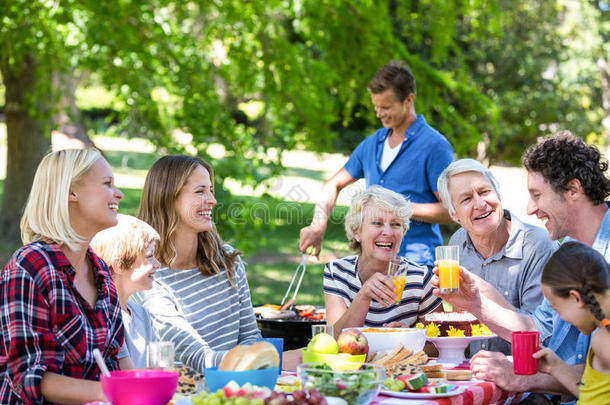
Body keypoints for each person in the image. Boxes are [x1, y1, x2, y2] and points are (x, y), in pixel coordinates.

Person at [432, 132, 610, 404]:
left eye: (537, 195)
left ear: (573, 190)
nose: (529, 209)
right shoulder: (569, 254)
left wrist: (522, 379)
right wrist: (476, 304)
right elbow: (540, 331)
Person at [0, 149, 131, 404]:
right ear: (72, 193)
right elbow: (29, 375)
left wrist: (144, 386)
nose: (119, 194)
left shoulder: (101, 272)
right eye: (107, 183)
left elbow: (116, 359)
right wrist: (113, 391)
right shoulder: (30, 267)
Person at [299, 60, 453, 268]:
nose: (379, 113)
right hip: (372, 264)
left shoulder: (434, 146)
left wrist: (398, 209)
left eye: (386, 107)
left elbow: (452, 212)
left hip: (416, 265)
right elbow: (332, 184)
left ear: (408, 100)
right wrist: (318, 225)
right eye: (376, 107)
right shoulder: (373, 144)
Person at [133, 155, 262, 371]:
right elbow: (195, 355)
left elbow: (250, 336)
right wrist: (253, 360)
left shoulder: (228, 261)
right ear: (168, 198)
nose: (212, 200)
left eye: (210, 190)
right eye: (200, 191)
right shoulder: (148, 274)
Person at [436, 159, 557, 355]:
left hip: (524, 376)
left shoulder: (537, 245)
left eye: (484, 192)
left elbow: (543, 335)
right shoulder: (457, 243)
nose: (480, 204)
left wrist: (487, 297)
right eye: (466, 199)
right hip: (474, 372)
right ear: (453, 214)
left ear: (498, 194)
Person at [324, 185, 442, 335]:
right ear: (356, 231)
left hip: (401, 359)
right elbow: (334, 340)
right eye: (377, 223)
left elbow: (439, 343)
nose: (388, 232)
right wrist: (363, 295)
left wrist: (411, 336)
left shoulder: (420, 278)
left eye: (396, 224)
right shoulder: (337, 272)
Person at [532, 242, 610, 404]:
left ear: (576, 298)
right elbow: (593, 394)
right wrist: (555, 367)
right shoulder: (602, 336)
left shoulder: (604, 341)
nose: (561, 317)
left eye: (556, 308)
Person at [91, 214, 161, 368]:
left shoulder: (143, 315)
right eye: (149, 257)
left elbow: (159, 371)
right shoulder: (107, 317)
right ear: (119, 265)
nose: (158, 264)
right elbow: (129, 377)